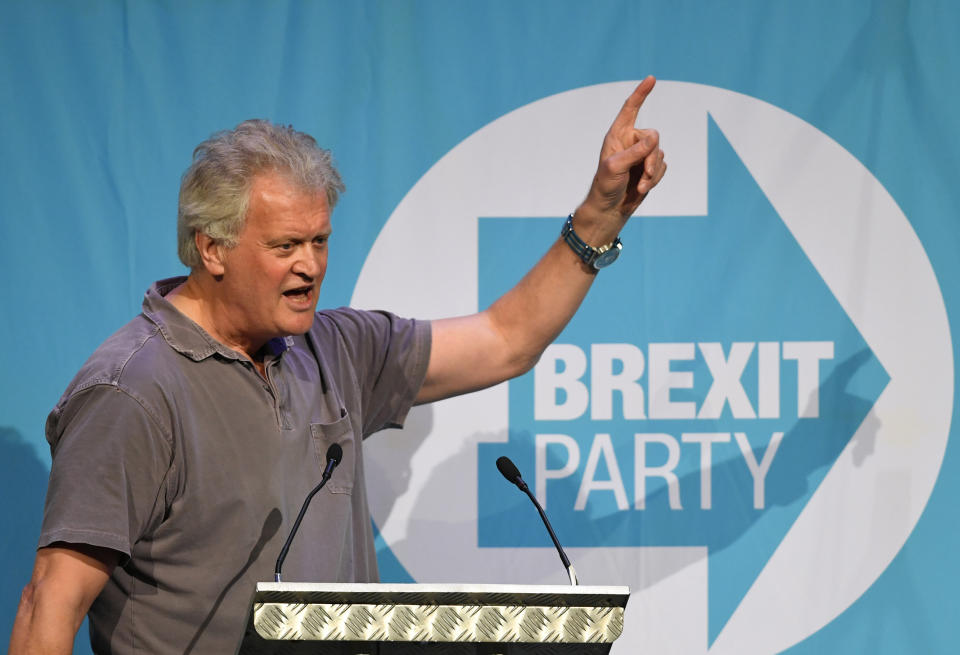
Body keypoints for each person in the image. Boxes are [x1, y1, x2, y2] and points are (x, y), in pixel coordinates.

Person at [9, 76, 666, 654]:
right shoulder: (133, 390)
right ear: (212, 249)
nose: (312, 265)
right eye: (286, 245)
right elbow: (49, 605)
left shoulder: (340, 349)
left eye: (320, 240)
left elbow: (506, 338)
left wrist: (598, 218)